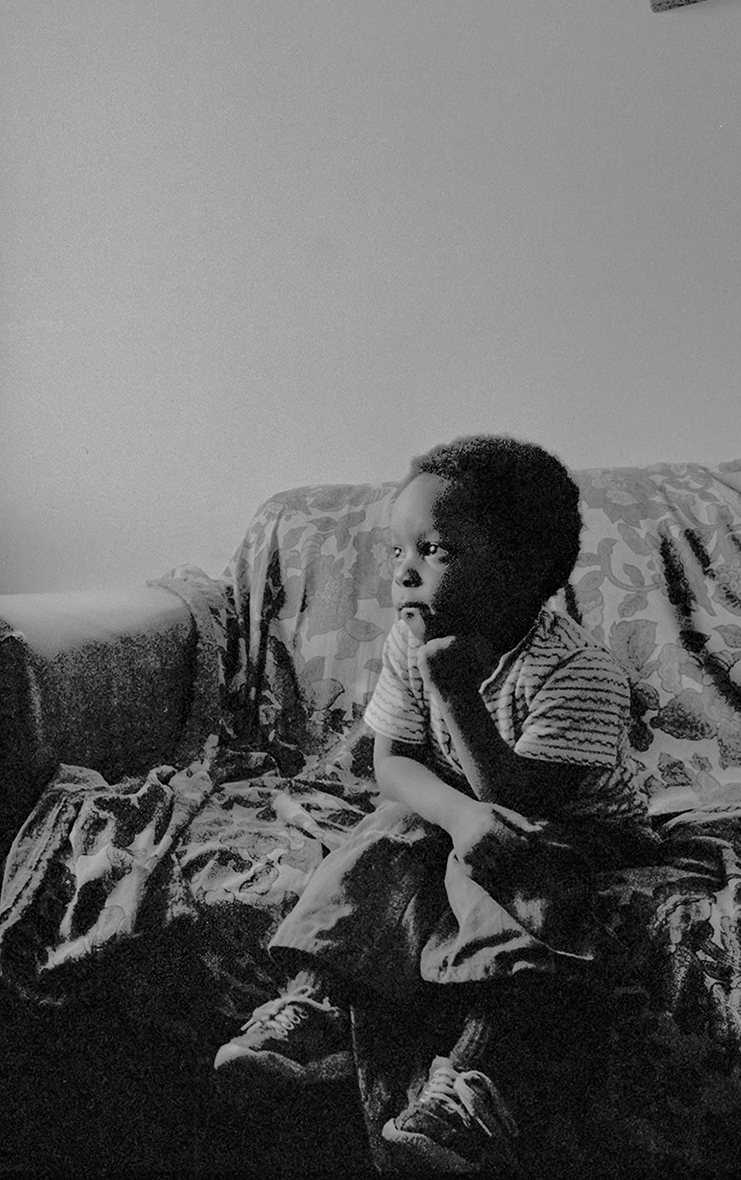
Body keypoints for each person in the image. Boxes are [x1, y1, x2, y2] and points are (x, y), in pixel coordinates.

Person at [212, 434, 647, 1172]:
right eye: (397, 550)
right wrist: (455, 814)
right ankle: (316, 1006)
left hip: (570, 824)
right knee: (388, 831)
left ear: (523, 570)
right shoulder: (409, 640)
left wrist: (456, 693)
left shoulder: (580, 670)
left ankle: (476, 1080)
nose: (403, 570)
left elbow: (516, 802)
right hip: (467, 802)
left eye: (434, 549)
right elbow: (393, 762)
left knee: (514, 874)